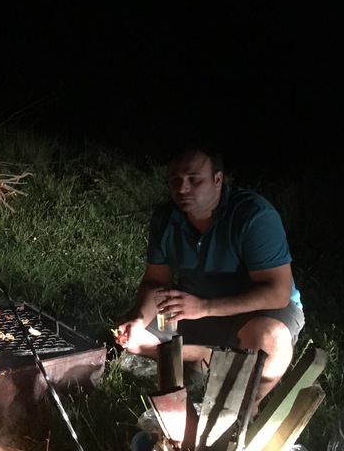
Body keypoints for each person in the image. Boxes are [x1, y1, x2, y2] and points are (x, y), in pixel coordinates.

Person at [116, 145, 304, 405]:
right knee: (134, 338)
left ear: (218, 179)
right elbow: (156, 282)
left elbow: (277, 293)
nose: (182, 189)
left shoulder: (253, 216)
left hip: (255, 310)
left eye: (194, 180)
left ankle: (247, 405)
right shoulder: (166, 217)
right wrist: (139, 317)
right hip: (195, 306)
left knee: (271, 338)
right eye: (175, 180)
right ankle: (206, 357)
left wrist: (204, 307)